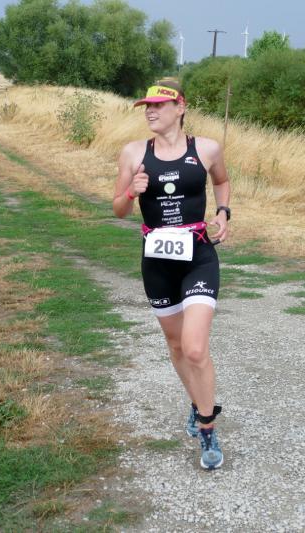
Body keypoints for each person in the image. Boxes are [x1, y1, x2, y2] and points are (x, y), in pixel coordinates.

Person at [112, 80, 231, 470]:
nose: (150, 111)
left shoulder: (207, 149)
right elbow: (118, 209)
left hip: (198, 257)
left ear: (180, 107)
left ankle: (207, 428)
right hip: (157, 263)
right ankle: (197, 402)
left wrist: (223, 212)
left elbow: (222, 181)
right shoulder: (133, 153)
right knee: (177, 346)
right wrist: (132, 192)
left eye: (158, 105)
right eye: (146, 106)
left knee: (195, 347)